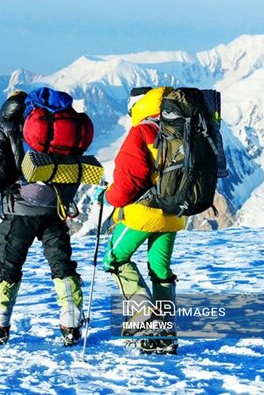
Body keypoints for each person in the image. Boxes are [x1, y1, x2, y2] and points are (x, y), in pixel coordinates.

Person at [0, 89, 84, 346]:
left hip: (20, 209)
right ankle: (71, 320)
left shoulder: (7, 127)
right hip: (55, 207)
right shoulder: (56, 127)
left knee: (10, 264)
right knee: (61, 262)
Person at [96, 86, 184, 355]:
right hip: (174, 215)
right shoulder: (185, 129)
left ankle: (143, 313)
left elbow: (128, 182)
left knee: (114, 258)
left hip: (143, 214)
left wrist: (108, 196)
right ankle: (165, 333)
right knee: (161, 270)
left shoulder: (142, 131)